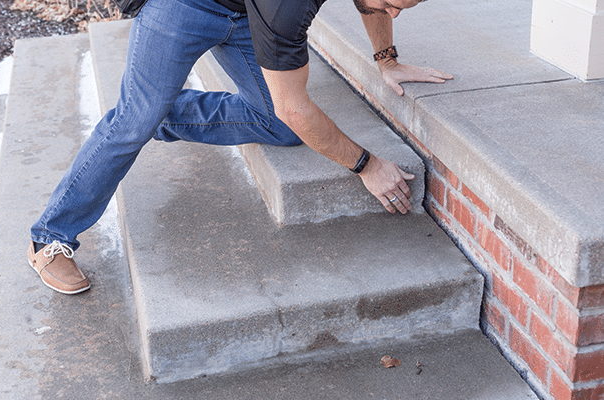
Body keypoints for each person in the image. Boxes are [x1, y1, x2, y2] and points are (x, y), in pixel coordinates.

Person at [27, 0, 453, 295]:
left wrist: (387, 59)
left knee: (276, 126)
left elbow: (371, 2)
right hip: (183, 7)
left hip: (245, 14)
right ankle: (49, 237)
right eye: (395, 6)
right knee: (135, 123)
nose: (393, 12)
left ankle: (149, 115)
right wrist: (366, 165)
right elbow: (296, 109)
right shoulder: (288, 8)